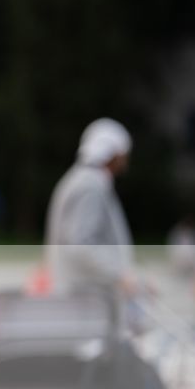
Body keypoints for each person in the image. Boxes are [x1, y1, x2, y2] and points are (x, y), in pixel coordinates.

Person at [43, 118, 137, 305]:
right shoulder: (89, 186)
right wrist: (120, 274)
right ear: (114, 154)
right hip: (85, 300)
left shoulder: (83, 180)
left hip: (82, 296)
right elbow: (81, 245)